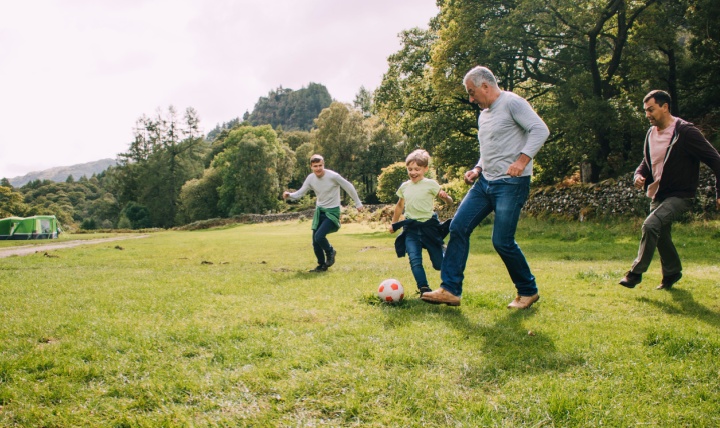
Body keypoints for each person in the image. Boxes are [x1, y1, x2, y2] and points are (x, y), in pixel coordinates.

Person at [421, 65, 549, 308]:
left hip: (511, 184)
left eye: (472, 92)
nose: (471, 98)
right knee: (458, 227)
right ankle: (450, 290)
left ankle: (528, 290)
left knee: (502, 241)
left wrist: (522, 161)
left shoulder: (512, 102)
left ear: (485, 86)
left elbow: (540, 130)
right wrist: (477, 168)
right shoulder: (484, 114)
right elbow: (491, 148)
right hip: (485, 183)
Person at [619, 90, 720, 290]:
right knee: (661, 235)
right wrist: (638, 176)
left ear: (665, 107)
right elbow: (646, 162)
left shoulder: (685, 132)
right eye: (645, 111)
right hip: (659, 194)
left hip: (681, 194)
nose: (647, 114)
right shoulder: (651, 133)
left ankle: (635, 274)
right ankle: (672, 273)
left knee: (650, 226)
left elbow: (715, 159)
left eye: (651, 110)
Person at [388, 149, 454, 296]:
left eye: (417, 169)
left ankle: (443, 251)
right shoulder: (405, 187)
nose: (413, 172)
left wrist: (445, 197)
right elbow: (399, 206)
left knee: (438, 265)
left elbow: (450, 202)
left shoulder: (431, 184)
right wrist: (394, 223)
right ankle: (424, 288)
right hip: (411, 228)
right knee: (414, 259)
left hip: (429, 228)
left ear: (425, 169)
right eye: (410, 169)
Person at [283, 154, 363, 272]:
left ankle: (331, 251)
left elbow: (349, 187)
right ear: (311, 167)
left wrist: (358, 203)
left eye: (320, 165)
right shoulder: (310, 178)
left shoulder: (333, 176)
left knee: (319, 236)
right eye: (315, 166)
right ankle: (321, 265)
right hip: (320, 211)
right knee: (315, 242)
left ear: (323, 165)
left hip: (332, 211)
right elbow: (300, 193)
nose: (318, 168)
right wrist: (289, 195)